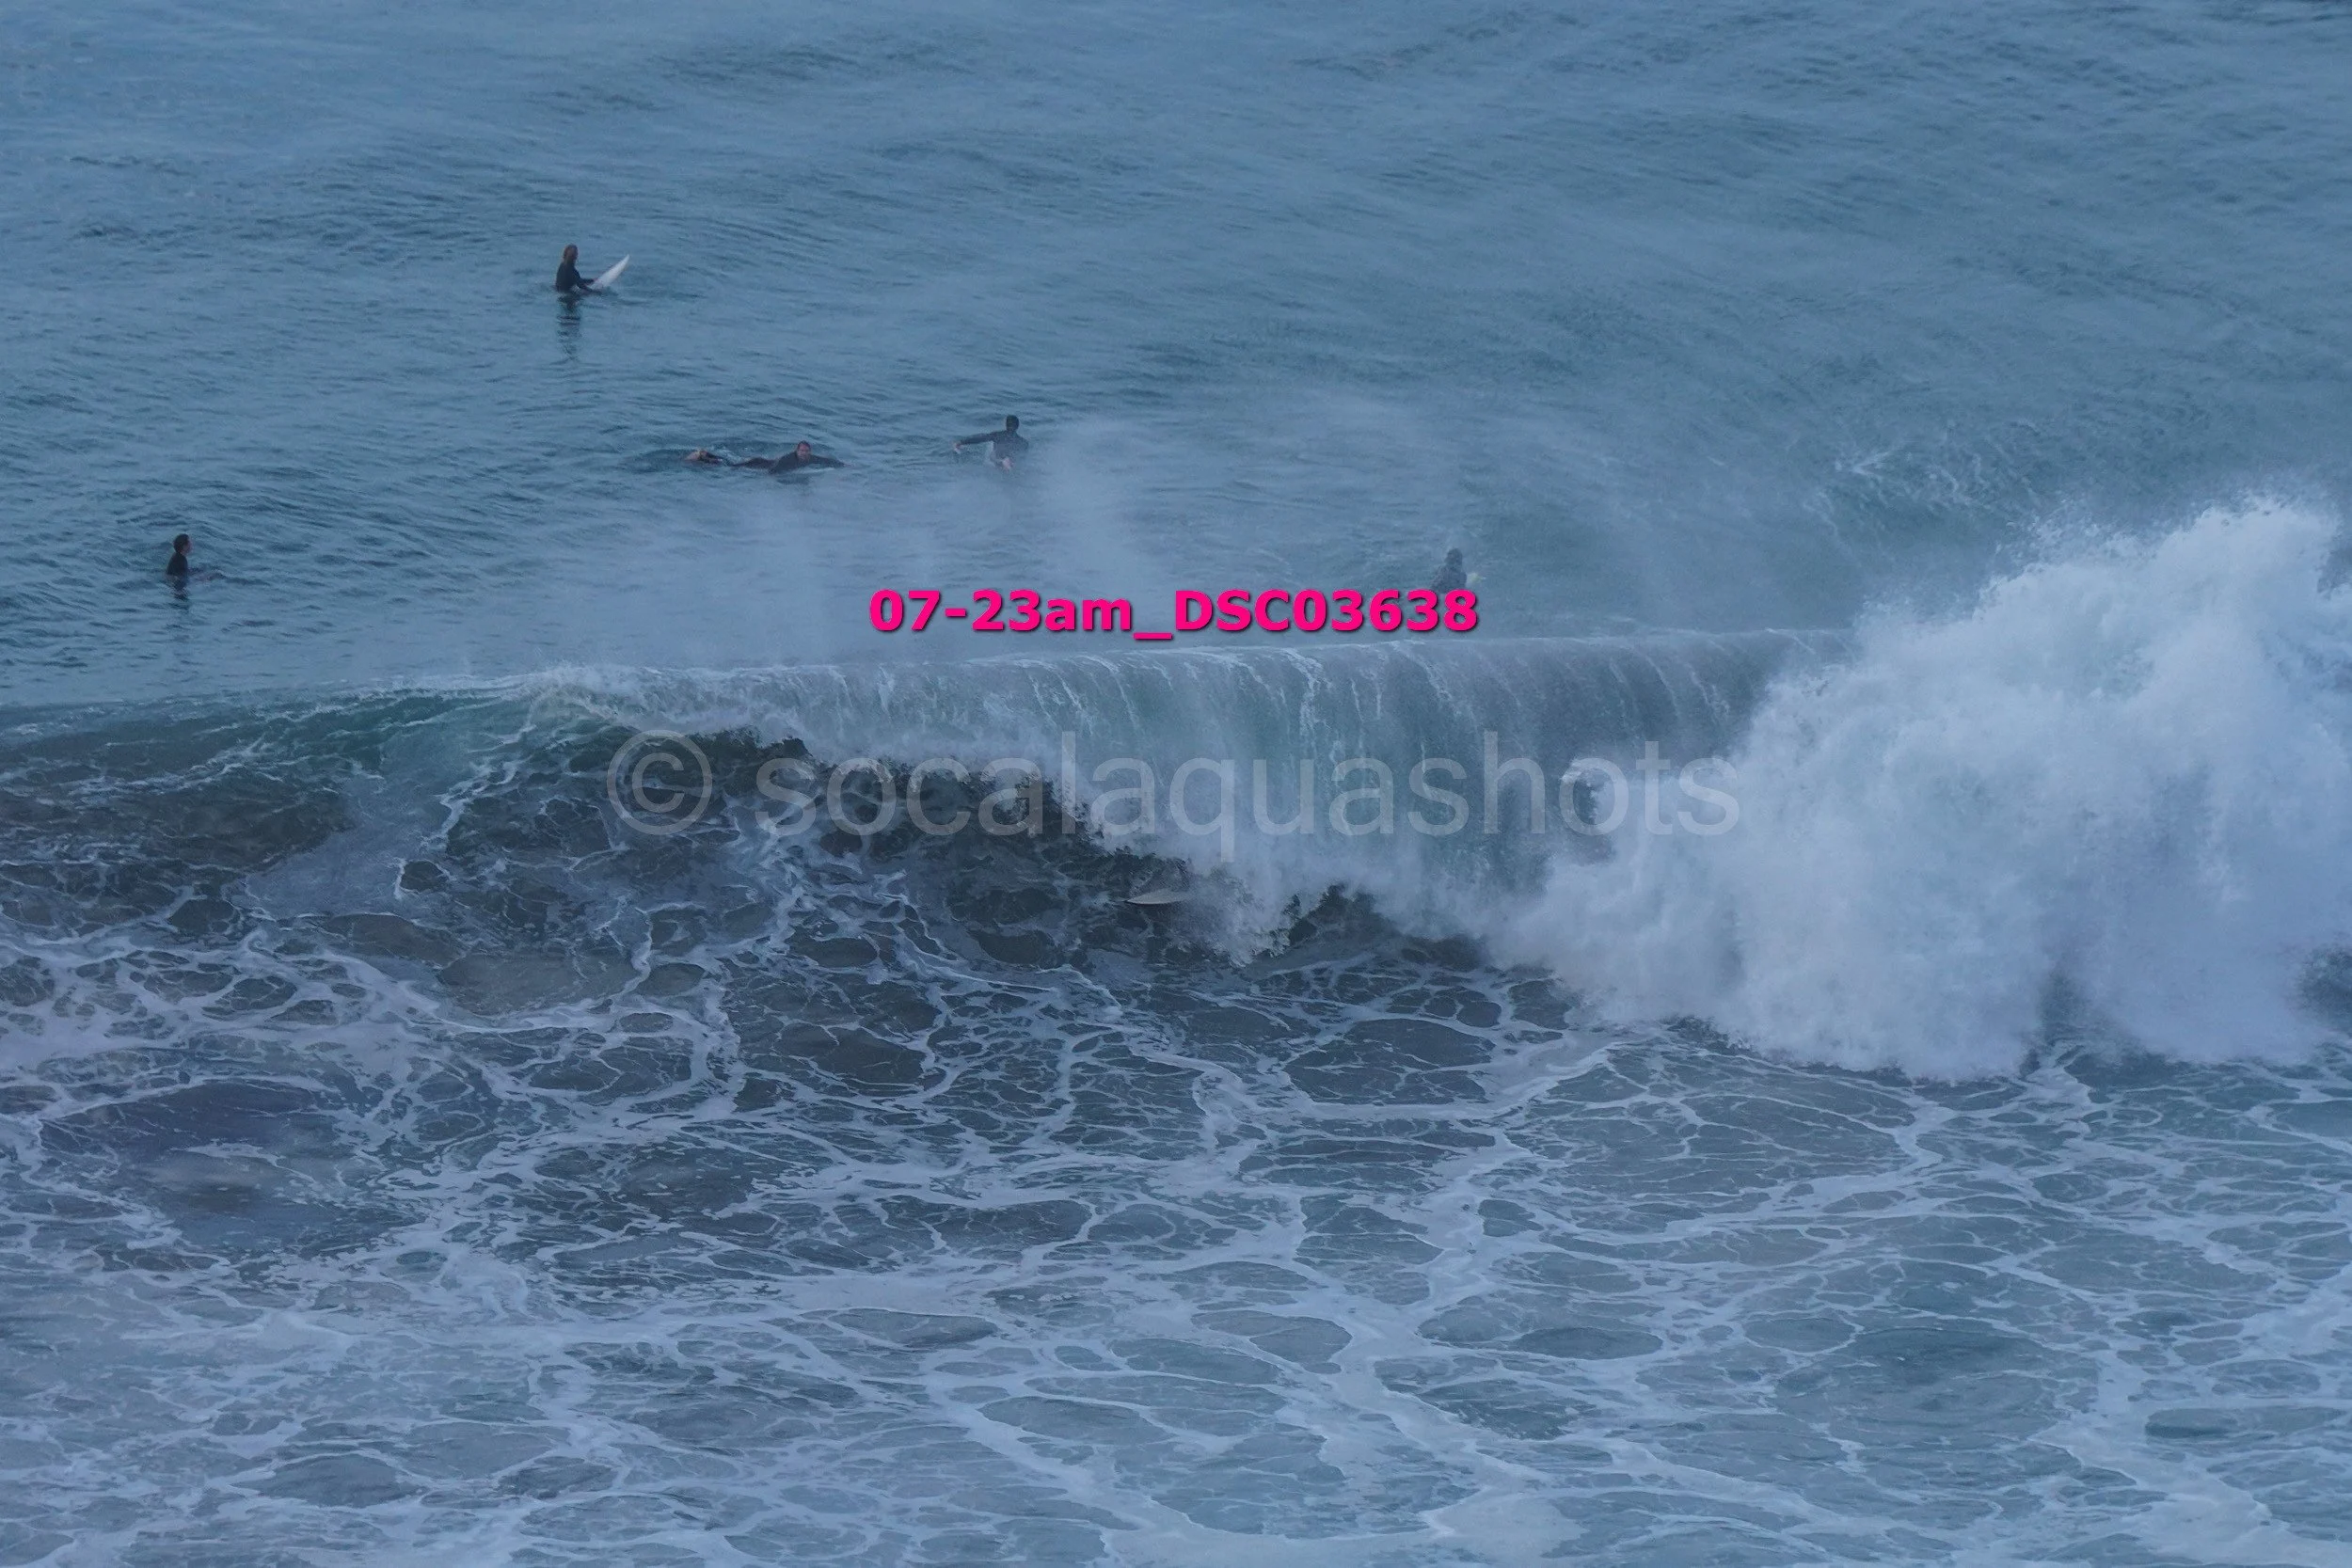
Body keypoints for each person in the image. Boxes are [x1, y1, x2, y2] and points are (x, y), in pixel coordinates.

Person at [687, 441, 844, 472]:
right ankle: (702, 456)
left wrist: (842, 465)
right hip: (760, 464)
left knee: (732, 464)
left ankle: (705, 454)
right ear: (797, 451)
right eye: (802, 451)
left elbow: (825, 461)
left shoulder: (810, 458)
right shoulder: (790, 458)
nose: (804, 454)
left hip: (763, 463)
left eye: (806, 452)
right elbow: (775, 469)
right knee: (730, 467)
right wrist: (770, 481)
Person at [953, 416, 1029, 467]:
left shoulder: (997, 435)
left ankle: (1003, 462)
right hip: (1013, 461)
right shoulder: (1024, 442)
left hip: (998, 459)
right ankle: (1008, 462)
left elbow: (980, 438)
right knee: (1014, 460)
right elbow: (1023, 457)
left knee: (992, 456)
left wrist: (961, 442)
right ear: (1018, 426)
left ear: (1006, 425)